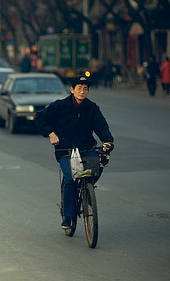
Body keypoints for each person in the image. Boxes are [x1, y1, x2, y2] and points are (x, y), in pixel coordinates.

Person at [34, 76, 114, 229]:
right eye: (79, 88)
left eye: (85, 89)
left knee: (98, 165)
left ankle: (87, 191)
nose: (82, 92)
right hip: (65, 149)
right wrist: (50, 133)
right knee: (70, 179)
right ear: (72, 90)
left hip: (86, 148)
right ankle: (67, 215)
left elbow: (101, 125)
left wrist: (107, 140)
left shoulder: (92, 108)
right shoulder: (60, 106)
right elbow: (39, 118)